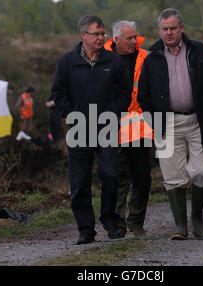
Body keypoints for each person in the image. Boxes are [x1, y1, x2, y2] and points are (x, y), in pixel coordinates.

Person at [138, 8, 203, 240]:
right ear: (159, 30)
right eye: (164, 29)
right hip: (167, 123)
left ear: (181, 28)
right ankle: (181, 226)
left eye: (172, 28)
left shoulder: (200, 52)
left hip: (199, 120)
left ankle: (197, 218)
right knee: (173, 175)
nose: (169, 33)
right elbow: (143, 95)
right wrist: (153, 120)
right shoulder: (151, 58)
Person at [51, 15, 132, 245]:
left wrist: (114, 112)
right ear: (83, 35)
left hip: (107, 125)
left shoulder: (114, 61)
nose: (101, 38)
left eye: (103, 33)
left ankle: (110, 220)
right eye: (96, 34)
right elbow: (58, 94)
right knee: (79, 182)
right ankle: (85, 229)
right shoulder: (66, 63)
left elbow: (125, 93)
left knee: (110, 174)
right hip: (78, 128)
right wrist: (70, 113)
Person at [104, 20, 154, 238]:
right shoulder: (102, 58)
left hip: (142, 126)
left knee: (142, 178)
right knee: (117, 177)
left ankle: (136, 222)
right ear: (116, 40)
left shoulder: (147, 57)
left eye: (135, 37)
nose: (135, 41)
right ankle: (118, 223)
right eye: (130, 38)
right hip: (113, 125)